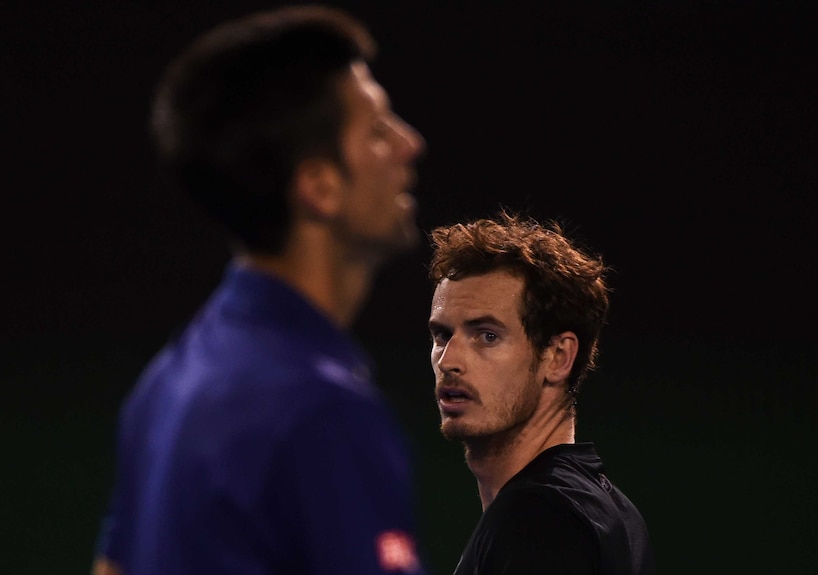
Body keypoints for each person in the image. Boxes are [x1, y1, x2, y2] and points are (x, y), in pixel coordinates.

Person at [92, 6, 427, 575]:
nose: (409, 144)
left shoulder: (168, 382)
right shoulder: (325, 413)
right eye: (376, 130)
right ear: (319, 189)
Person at [427, 212, 655, 575]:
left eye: (487, 336)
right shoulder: (605, 508)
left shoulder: (541, 517)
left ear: (558, 357)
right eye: (441, 335)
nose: (449, 360)